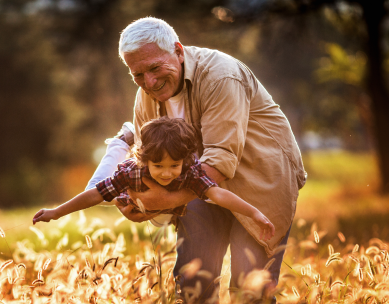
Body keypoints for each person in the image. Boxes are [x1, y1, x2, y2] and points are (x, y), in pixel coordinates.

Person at [85, 17, 307, 303]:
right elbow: (147, 160)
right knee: (193, 285)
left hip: (260, 183)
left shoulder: (221, 76)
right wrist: (137, 202)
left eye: (154, 68)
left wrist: (160, 201)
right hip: (197, 186)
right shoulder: (145, 95)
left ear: (178, 51)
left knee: (249, 290)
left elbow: (218, 163)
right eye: (137, 74)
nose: (149, 82)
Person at [33, 117, 275, 242]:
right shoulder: (131, 171)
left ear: (185, 161)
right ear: (145, 159)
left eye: (174, 166)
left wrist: (254, 213)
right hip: (131, 193)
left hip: (165, 204)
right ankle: (122, 141)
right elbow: (95, 194)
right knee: (97, 190)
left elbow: (219, 194)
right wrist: (56, 212)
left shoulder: (190, 171)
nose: (167, 173)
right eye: (158, 166)